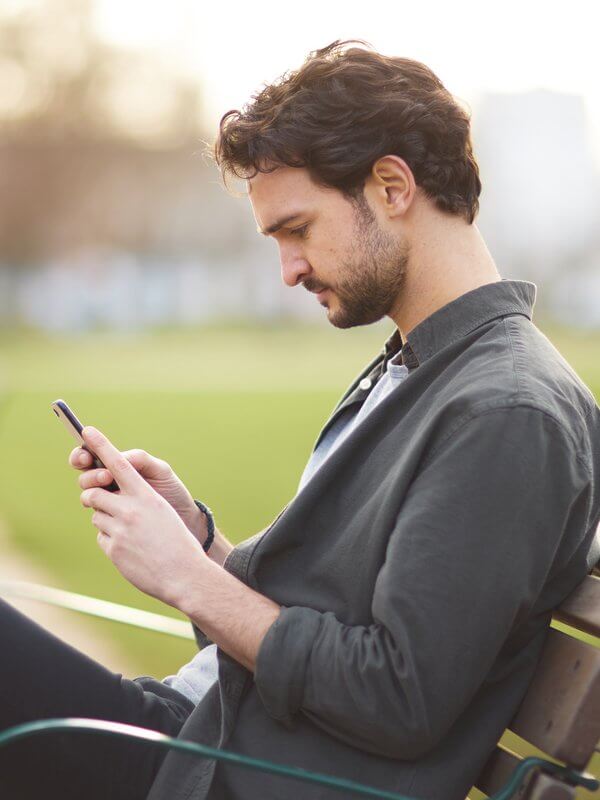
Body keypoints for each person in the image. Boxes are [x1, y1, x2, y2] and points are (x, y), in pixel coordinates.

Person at [1, 39, 599, 800]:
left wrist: (188, 581)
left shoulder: (507, 413)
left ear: (390, 186)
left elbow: (399, 697)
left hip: (231, 778)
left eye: (297, 229)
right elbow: (324, 620)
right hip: (204, 734)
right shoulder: (419, 366)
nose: (288, 270)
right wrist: (203, 544)